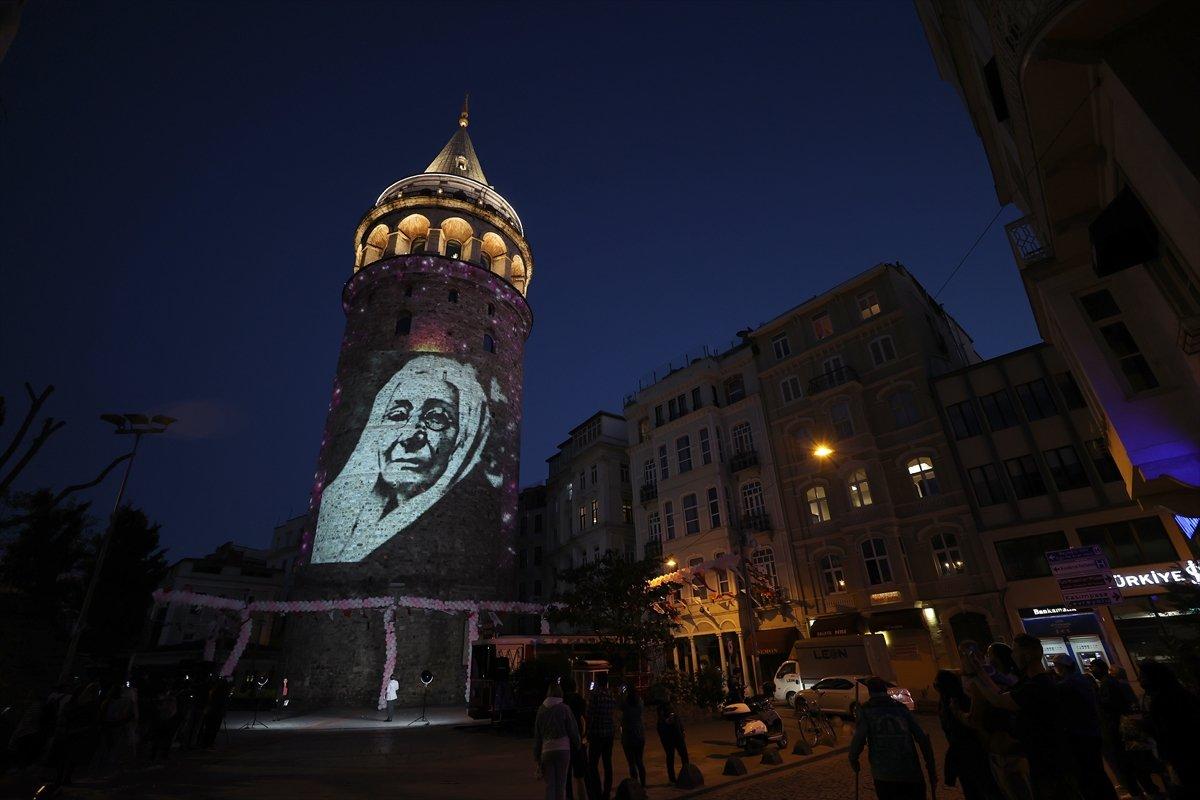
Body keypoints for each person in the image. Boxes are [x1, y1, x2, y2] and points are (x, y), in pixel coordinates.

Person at [311, 355, 506, 564]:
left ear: (463, 440)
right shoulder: (337, 516)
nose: (409, 437)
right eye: (397, 415)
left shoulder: (469, 528)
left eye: (437, 418)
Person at [967, 634, 1073, 800]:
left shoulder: (1037, 686)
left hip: (1047, 761)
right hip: (1040, 759)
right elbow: (1001, 694)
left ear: (1028, 655)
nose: (1012, 655)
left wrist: (977, 672)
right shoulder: (1033, 682)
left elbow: (999, 700)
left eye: (1015, 651)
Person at [849, 677, 937, 800]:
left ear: (870, 691)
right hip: (910, 770)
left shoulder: (866, 710)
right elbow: (922, 737)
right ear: (885, 690)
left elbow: (859, 737)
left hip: (884, 773)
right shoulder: (901, 708)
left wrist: (853, 758)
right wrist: (930, 765)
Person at [1051, 654, 1116, 800]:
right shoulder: (1083, 680)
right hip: (1092, 731)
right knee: (1098, 771)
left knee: (1088, 774)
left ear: (1061, 667)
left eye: (1056, 666)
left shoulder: (1067, 684)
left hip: (1080, 734)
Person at [932, 670, 999, 800]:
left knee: (981, 790)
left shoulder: (955, 703)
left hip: (973, 754)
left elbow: (966, 729)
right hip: (969, 755)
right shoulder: (948, 703)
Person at [1138, 659, 1200, 792]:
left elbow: (1168, 730)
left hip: (1183, 754)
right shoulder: (1179, 693)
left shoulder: (1163, 699)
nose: (1139, 680)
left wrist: (1146, 726)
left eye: (1143, 676)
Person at [534, 683, 581, 800]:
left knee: (550, 785)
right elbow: (572, 729)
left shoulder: (541, 710)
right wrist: (578, 744)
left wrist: (537, 755)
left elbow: (538, 735)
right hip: (563, 748)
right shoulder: (564, 709)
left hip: (547, 749)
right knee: (561, 784)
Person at [587, 673, 617, 800]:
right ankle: (606, 791)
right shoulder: (611, 695)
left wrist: (588, 730)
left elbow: (590, 714)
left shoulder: (595, 695)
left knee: (593, 764)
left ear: (598, 681)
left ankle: (597, 790)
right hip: (609, 733)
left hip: (597, 733)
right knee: (607, 763)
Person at [561, 677, 587, 800]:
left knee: (566, 776)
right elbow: (584, 717)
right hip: (578, 740)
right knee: (580, 775)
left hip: (565, 741)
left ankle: (569, 796)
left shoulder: (562, 702)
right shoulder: (580, 700)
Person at [655, 696, 689, 785]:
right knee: (671, 757)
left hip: (677, 734)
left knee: (683, 755)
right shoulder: (661, 709)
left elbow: (677, 718)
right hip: (669, 736)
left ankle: (686, 773)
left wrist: (682, 729)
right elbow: (661, 724)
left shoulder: (671, 706)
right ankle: (673, 778)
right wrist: (666, 722)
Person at [620, 686, 646, 788]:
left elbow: (620, 704)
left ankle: (635, 783)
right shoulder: (639, 704)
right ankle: (643, 784)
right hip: (639, 734)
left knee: (631, 763)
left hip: (628, 735)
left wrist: (622, 692)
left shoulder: (626, 705)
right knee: (639, 760)